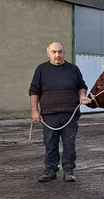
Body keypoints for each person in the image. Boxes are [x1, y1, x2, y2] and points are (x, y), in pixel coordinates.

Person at [29, 42, 91, 183]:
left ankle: (69, 170)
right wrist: (34, 111)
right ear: (48, 54)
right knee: (50, 143)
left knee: (69, 143)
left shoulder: (73, 69)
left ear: (64, 53)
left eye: (60, 52)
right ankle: (50, 170)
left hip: (70, 115)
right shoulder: (41, 69)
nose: (57, 55)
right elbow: (34, 91)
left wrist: (82, 97)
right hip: (49, 116)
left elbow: (81, 86)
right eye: (54, 52)